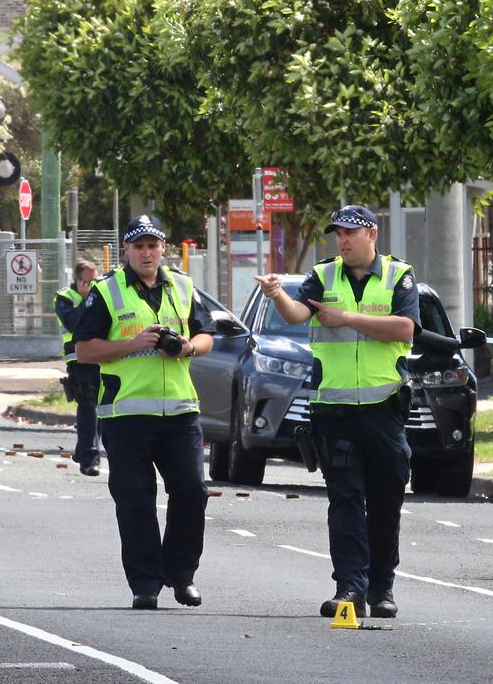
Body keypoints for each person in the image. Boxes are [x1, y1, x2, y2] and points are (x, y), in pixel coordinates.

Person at [256, 204, 419, 620]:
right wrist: (277, 295)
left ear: (372, 235)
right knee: (345, 502)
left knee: (384, 504)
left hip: (384, 410)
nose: (342, 240)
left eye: (351, 233)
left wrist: (347, 317)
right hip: (334, 411)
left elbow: (404, 328)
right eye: (338, 234)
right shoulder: (323, 275)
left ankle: (382, 589)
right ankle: (350, 588)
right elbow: (297, 313)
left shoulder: (399, 276)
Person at [73, 215, 216, 610]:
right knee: (135, 499)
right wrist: (133, 343)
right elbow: (84, 349)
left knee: (191, 491)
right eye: (139, 246)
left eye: (153, 245)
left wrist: (188, 347)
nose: (147, 252)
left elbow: (207, 336)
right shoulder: (106, 291)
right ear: (126, 251)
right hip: (127, 414)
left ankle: (181, 575)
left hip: (181, 412)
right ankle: (146, 583)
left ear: (163, 248)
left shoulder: (183, 286)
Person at [54, 259, 102, 476]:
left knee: (101, 407)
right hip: (79, 359)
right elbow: (74, 324)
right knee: (88, 405)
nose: (92, 285)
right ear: (78, 280)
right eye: (88, 281)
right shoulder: (65, 297)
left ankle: (82, 450)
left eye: (95, 280)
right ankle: (90, 458)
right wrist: (85, 300)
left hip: (102, 356)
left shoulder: (102, 293)